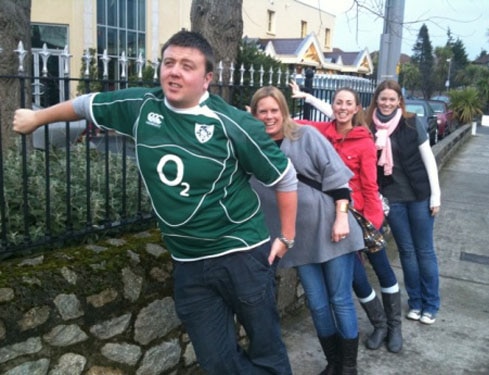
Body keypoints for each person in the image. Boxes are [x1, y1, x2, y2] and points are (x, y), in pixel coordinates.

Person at [13, 30, 298, 375]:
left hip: (240, 254)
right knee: (217, 362)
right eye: (169, 62)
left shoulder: (233, 124)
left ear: (207, 78)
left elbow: (284, 177)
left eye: (187, 66)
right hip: (189, 264)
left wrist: (286, 237)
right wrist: (36, 117)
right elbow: (85, 104)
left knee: (267, 351)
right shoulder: (141, 106)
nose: (174, 71)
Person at [249, 86, 365, 375]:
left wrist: (341, 218)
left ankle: (348, 367)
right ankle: (333, 362)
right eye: (262, 111)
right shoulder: (252, 149)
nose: (269, 116)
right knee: (317, 303)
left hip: (331, 229)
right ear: (254, 114)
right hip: (297, 240)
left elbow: (337, 179)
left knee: (339, 299)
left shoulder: (306, 136)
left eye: (274, 110)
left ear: (284, 111)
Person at [290, 81, 403, 353]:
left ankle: (394, 326)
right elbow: (291, 122)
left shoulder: (364, 142)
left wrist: (373, 225)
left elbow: (370, 186)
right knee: (356, 278)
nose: (342, 108)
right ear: (332, 106)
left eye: (348, 104)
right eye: (338, 103)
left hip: (362, 219)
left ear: (356, 109)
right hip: (334, 221)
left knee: (382, 270)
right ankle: (379, 325)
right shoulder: (321, 133)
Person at [366, 79, 441, 325]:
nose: (387, 103)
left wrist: (436, 195)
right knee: (407, 252)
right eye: (383, 98)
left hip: (420, 196)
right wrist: (308, 98)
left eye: (392, 99)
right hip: (394, 199)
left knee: (425, 251)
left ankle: (430, 304)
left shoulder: (411, 122)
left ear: (399, 100)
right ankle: (416, 302)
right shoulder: (370, 125)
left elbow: (429, 159)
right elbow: (339, 116)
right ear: (376, 99)